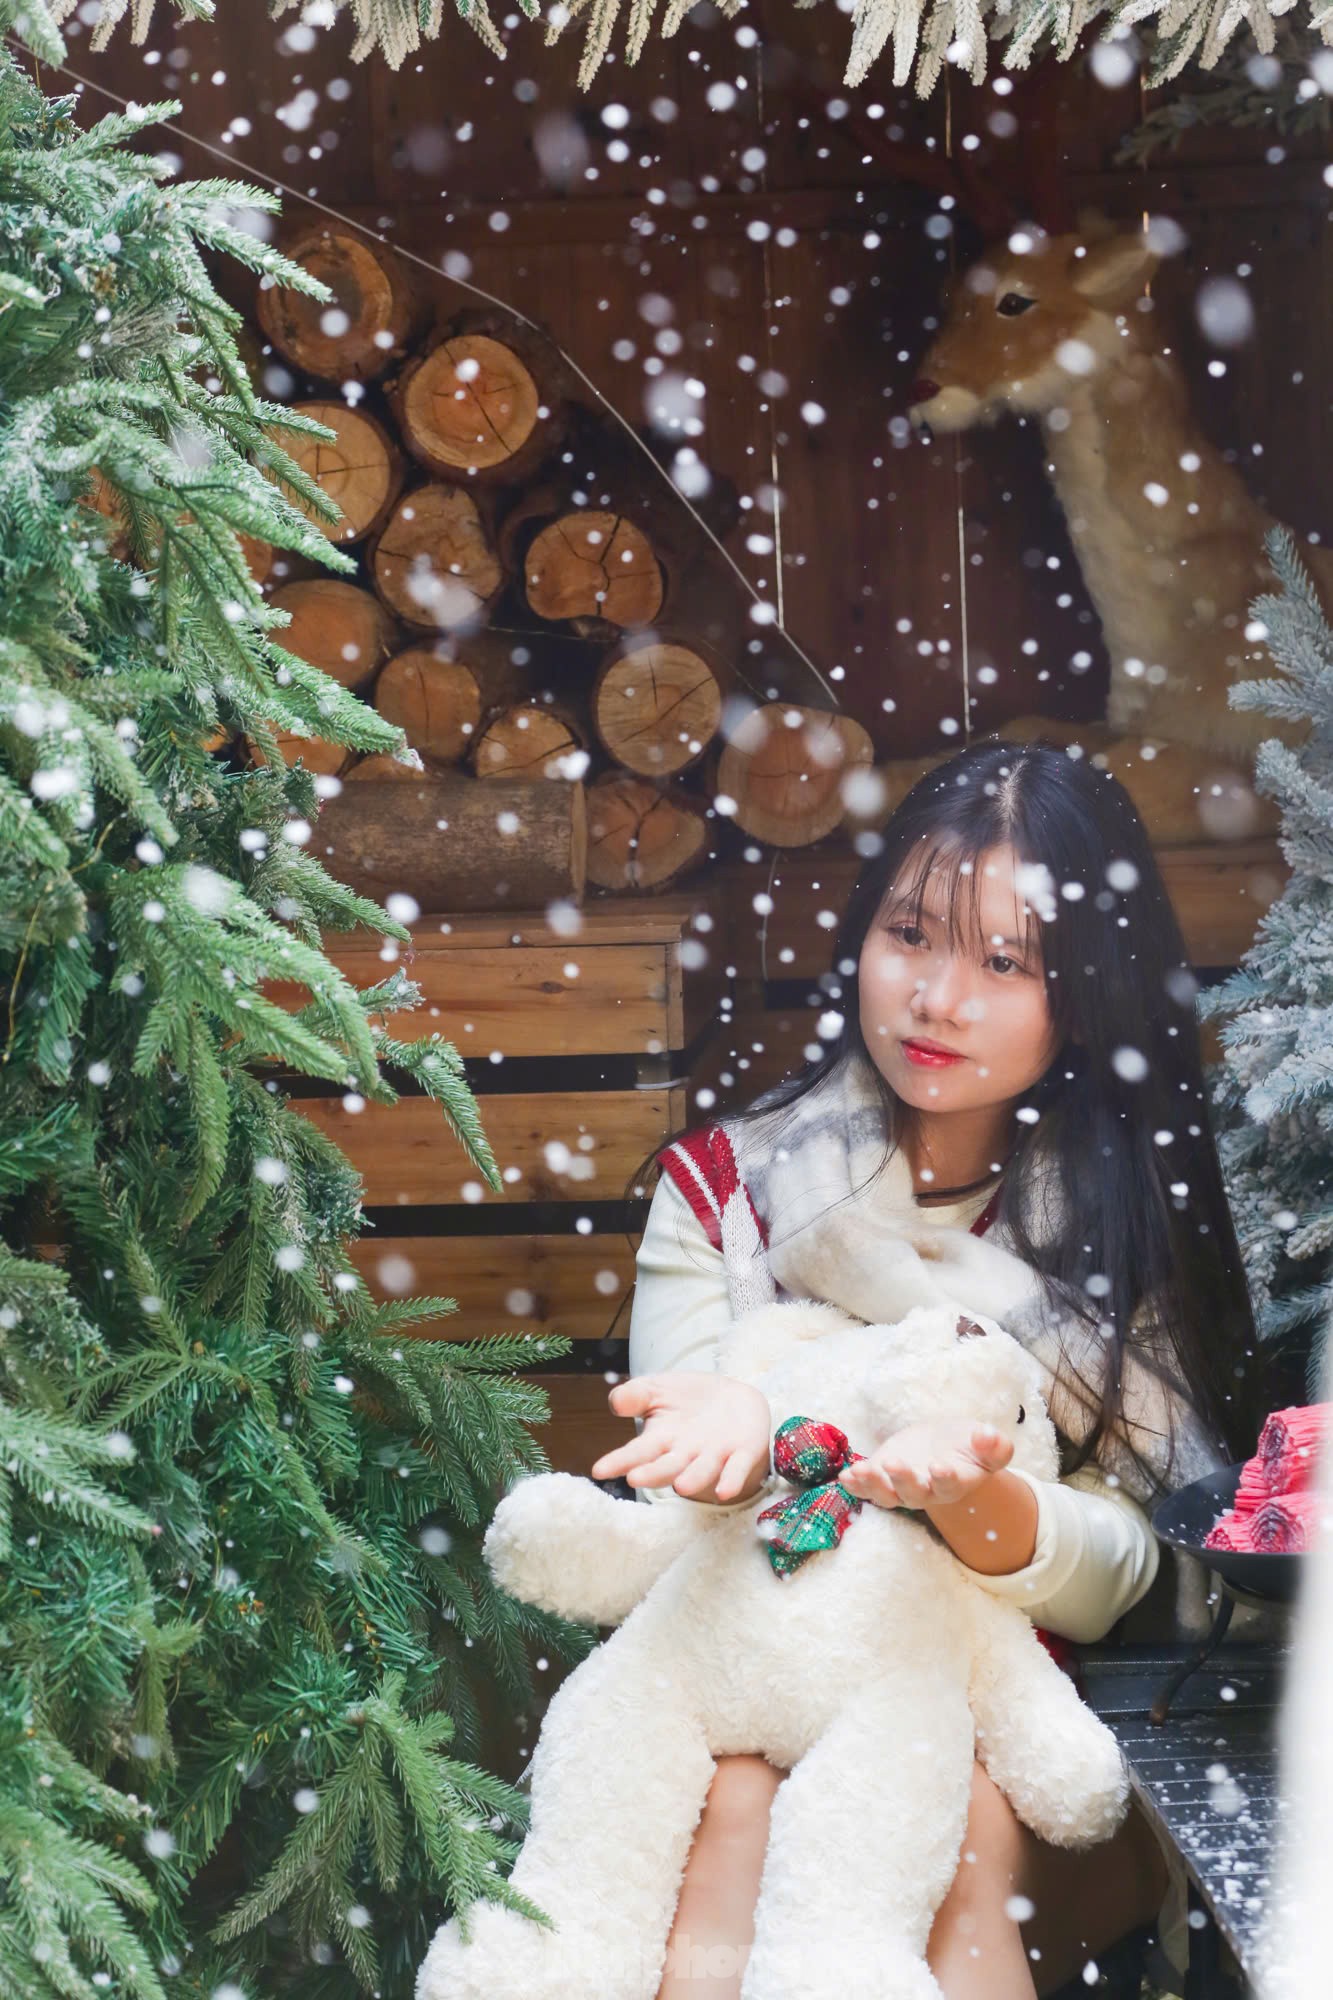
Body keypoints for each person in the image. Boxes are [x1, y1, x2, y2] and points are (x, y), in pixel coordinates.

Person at [592, 736, 1264, 2000]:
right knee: (740, 1801)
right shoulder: (733, 1192)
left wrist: (983, 1510)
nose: (935, 996)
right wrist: (743, 1436)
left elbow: (1141, 1561)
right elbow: (671, 1526)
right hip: (755, 1691)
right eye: (911, 934)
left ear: (1087, 988)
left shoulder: (1114, 1220)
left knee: (940, 1823)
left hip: (1030, 1730)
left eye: (1004, 960)